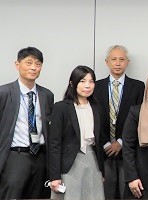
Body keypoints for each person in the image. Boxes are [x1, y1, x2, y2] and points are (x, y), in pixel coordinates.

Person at [0, 47, 53, 199]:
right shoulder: (2, 93)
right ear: (17, 64)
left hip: (40, 157)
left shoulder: (46, 95)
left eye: (38, 64)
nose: (33, 67)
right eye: (29, 62)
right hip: (14, 157)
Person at [94, 45, 145, 199]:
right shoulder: (96, 87)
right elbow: (93, 119)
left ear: (127, 62)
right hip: (103, 150)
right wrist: (106, 143)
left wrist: (121, 142)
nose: (117, 63)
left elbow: (141, 120)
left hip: (128, 150)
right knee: (106, 193)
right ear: (106, 62)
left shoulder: (138, 86)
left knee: (127, 193)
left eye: (121, 59)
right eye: (114, 59)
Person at [48, 65, 106, 199]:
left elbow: (100, 141)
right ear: (72, 83)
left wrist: (102, 171)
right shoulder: (61, 107)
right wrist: (55, 176)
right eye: (82, 81)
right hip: (69, 163)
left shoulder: (97, 108)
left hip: (93, 160)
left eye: (91, 82)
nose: (88, 86)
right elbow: (54, 144)